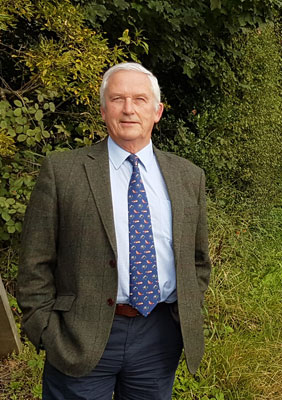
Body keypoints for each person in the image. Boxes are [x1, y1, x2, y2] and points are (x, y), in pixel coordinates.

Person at [17, 62, 211, 399]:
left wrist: (182, 315)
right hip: (78, 333)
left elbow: (198, 259)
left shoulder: (188, 176)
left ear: (157, 111)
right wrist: (44, 328)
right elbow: (35, 260)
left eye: (139, 99)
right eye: (118, 98)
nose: (128, 109)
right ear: (104, 109)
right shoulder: (63, 171)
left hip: (158, 334)